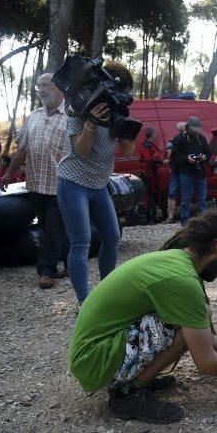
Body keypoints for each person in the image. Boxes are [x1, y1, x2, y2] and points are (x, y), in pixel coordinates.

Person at [67, 208, 217, 424]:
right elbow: (207, 362)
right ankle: (128, 395)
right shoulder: (183, 281)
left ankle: (137, 378)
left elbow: (204, 335)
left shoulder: (178, 260)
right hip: (94, 359)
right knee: (184, 328)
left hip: (96, 351)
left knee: (194, 320)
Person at [56, 61, 136, 307]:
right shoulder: (77, 109)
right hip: (73, 182)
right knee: (81, 242)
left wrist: (126, 129)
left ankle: (107, 292)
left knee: (112, 237)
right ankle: (84, 302)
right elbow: (81, 151)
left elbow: (128, 151)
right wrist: (91, 122)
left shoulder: (117, 111)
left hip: (100, 184)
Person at [0, 73, 69, 289]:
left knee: (53, 228)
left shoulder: (72, 115)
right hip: (37, 183)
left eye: (45, 85)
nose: (40, 89)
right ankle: (67, 263)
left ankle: (46, 271)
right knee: (51, 227)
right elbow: (22, 150)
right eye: (38, 86)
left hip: (63, 185)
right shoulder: (34, 116)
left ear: (58, 88)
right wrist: (8, 173)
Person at [170, 116, 209, 226]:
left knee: (202, 198)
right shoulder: (179, 139)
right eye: (193, 130)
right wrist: (186, 158)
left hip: (200, 172)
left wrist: (204, 157)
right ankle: (185, 222)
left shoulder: (201, 138)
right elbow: (174, 156)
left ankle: (205, 222)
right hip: (186, 172)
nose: (195, 132)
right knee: (186, 198)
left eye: (197, 130)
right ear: (188, 127)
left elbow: (208, 153)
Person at [138, 127, 165, 223]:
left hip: (153, 175)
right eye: (155, 134)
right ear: (152, 135)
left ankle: (155, 218)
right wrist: (158, 159)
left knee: (154, 196)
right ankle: (150, 219)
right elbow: (148, 160)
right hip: (148, 176)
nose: (157, 135)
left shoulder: (151, 145)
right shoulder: (145, 146)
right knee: (150, 198)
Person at [163, 122, 184, 224]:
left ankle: (185, 215)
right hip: (176, 170)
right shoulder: (172, 142)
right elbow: (169, 154)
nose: (181, 133)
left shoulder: (190, 141)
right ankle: (170, 217)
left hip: (186, 170)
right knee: (172, 193)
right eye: (180, 131)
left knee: (186, 193)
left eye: (183, 130)